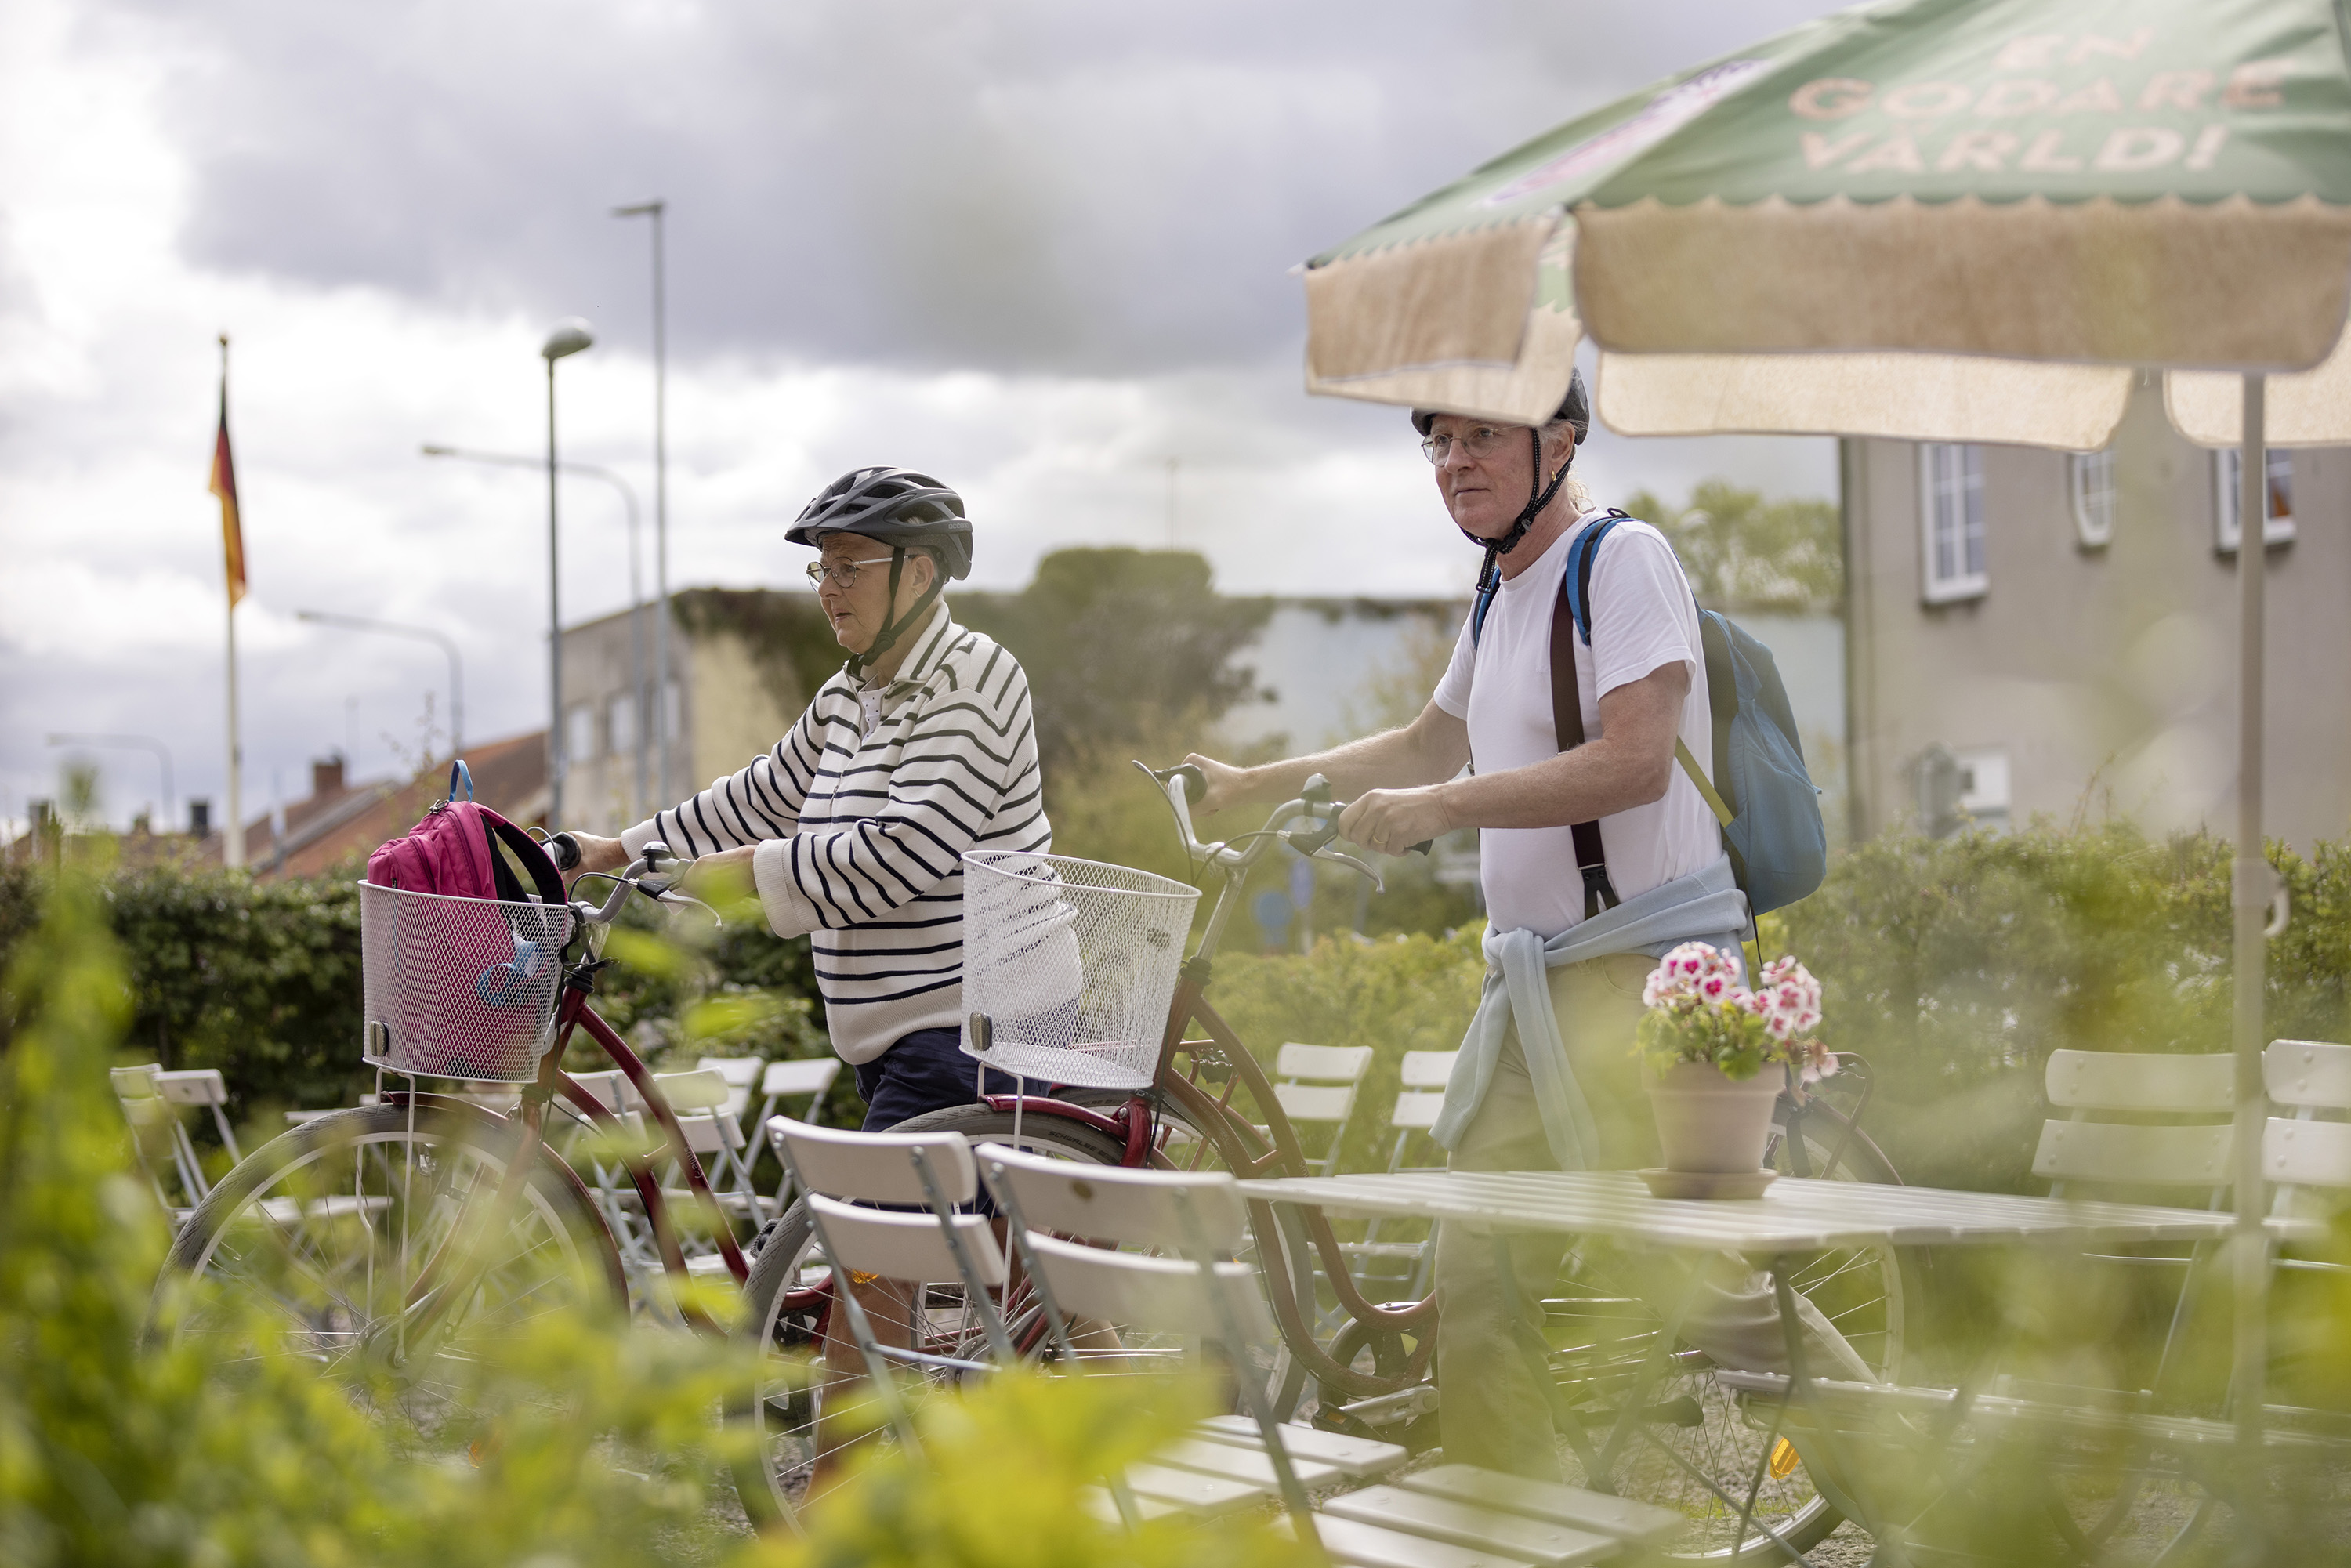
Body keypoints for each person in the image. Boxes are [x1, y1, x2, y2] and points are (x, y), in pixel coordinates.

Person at [1180, 373, 1872, 1483]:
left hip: (1651, 974)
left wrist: (1444, 808)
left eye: (1481, 436)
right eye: (1439, 441)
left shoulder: (1621, 560)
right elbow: (1423, 746)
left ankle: (1919, 1492)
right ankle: (1510, 1533)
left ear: (1559, 441)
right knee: (1482, 1265)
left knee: (1705, 1283)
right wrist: (1250, 782)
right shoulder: (1501, 588)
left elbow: (1636, 761)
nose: (1455, 460)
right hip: (1540, 989)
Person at [563, 465, 1048, 1385]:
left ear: (920, 573)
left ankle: (821, 1510)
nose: (828, 588)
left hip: (974, 1028)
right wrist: (612, 850)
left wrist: (748, 878)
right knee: (1032, 1300)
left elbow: (905, 852)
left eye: (849, 566)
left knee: (870, 1284)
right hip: (900, 1039)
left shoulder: (976, 678)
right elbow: (758, 795)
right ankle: (1138, 1431)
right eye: (820, 569)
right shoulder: (849, 697)